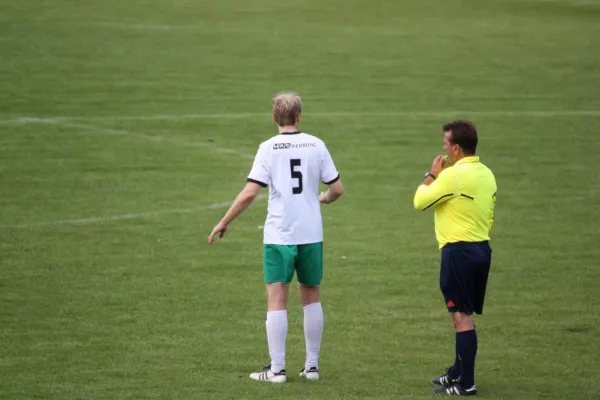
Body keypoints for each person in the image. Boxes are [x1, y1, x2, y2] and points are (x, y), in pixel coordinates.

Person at [208, 92, 344, 383]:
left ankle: (278, 370)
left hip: (280, 235)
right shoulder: (316, 144)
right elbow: (338, 189)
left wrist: (224, 221)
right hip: (311, 234)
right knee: (311, 296)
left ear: (274, 118)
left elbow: (249, 194)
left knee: (276, 299)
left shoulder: (268, 148)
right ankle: (312, 367)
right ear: (299, 117)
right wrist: (325, 198)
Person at [413, 120, 497, 396]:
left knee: (460, 317)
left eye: (446, 144)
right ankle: (457, 372)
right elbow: (490, 213)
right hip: (481, 248)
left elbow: (420, 201)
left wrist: (432, 174)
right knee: (465, 315)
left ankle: (466, 383)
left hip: (457, 252)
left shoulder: (452, 176)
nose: (444, 149)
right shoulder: (487, 174)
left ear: (457, 148)